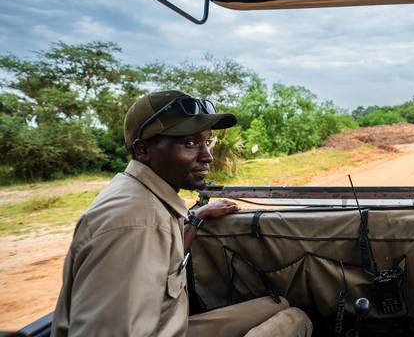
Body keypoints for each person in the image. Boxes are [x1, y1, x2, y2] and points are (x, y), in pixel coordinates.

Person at [52, 90, 312, 337]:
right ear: (143, 150)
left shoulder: (148, 197)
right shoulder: (134, 222)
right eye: (189, 143)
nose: (207, 156)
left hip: (168, 327)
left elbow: (168, 263)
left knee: (277, 305)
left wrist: (198, 217)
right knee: (296, 319)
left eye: (206, 141)